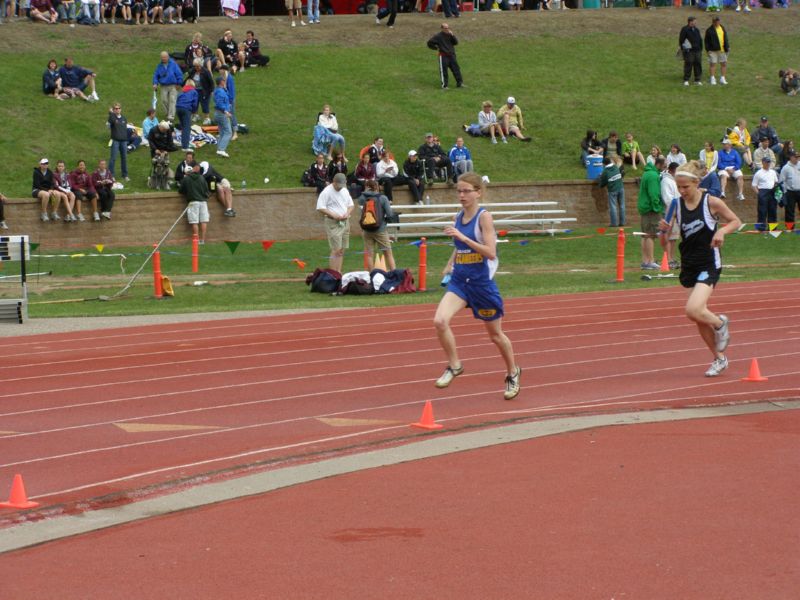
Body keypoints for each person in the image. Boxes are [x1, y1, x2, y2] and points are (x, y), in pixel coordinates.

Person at [433, 172, 521, 401]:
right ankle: (454, 366)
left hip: (481, 284)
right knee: (440, 321)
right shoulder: (457, 217)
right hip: (460, 281)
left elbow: (490, 252)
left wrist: (463, 238)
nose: (461, 195)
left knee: (495, 335)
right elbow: (459, 245)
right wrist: (450, 262)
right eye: (459, 191)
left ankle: (512, 371)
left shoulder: (484, 217)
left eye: (466, 191)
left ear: (478, 192)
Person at [658, 160, 741, 377]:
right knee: (697, 315)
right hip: (689, 263)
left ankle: (720, 322)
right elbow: (664, 244)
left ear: (696, 183)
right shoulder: (675, 205)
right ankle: (719, 359)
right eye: (679, 187)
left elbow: (735, 221)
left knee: (693, 309)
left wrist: (722, 232)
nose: (682, 191)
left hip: (709, 262)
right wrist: (663, 232)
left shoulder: (711, 202)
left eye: (686, 187)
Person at [316, 172, 353, 273]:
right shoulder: (326, 192)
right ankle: (333, 274)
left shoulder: (344, 190)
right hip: (333, 223)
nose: (340, 187)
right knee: (336, 249)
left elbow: (351, 205)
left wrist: (347, 213)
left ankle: (338, 272)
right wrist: (334, 215)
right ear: (334, 182)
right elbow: (320, 207)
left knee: (341, 250)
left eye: (342, 185)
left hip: (345, 222)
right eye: (339, 185)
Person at [358, 180, 396, 272]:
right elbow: (389, 214)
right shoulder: (383, 198)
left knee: (370, 254)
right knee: (388, 253)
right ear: (377, 187)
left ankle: (372, 275)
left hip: (366, 230)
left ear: (366, 186)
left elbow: (361, 203)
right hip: (380, 229)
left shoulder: (362, 198)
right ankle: (393, 273)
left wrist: (365, 191)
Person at [637, 156, 665, 270]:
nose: (665, 167)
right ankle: (650, 261)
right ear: (660, 164)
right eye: (664, 165)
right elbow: (654, 194)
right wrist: (657, 208)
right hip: (651, 209)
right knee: (650, 235)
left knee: (644, 235)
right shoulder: (653, 176)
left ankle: (645, 260)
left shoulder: (647, 173)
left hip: (645, 208)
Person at [179, 162, 210, 244]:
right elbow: (207, 190)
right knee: (204, 221)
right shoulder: (202, 178)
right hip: (203, 202)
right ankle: (202, 240)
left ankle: (196, 240)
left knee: (194, 222)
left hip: (193, 202)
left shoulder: (186, 179)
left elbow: (181, 191)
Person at [427, 22, 463, 90]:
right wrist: (436, 48)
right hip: (443, 56)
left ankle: (460, 83)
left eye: (448, 28)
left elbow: (456, 43)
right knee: (444, 71)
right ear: (442, 28)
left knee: (456, 69)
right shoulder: (438, 36)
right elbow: (429, 43)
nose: (447, 29)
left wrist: (453, 35)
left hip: (452, 55)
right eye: (445, 28)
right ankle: (444, 86)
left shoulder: (450, 35)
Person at [152, 51, 183, 123]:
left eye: (165, 57)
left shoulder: (173, 64)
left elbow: (179, 74)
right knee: (164, 100)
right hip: (163, 86)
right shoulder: (159, 66)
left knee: (172, 100)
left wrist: (179, 83)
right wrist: (155, 83)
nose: (163, 59)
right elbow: (155, 75)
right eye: (162, 57)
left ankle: (171, 116)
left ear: (168, 57)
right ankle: (168, 113)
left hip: (173, 85)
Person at [660, 161, 680, 269]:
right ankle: (667, 258)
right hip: (669, 212)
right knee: (667, 235)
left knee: (674, 237)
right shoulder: (666, 181)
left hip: (677, 212)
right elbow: (667, 198)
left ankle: (671, 258)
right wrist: (673, 210)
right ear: (672, 170)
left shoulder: (674, 180)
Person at [751, 157, 779, 231]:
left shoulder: (773, 172)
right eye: (766, 162)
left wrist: (775, 188)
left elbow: (776, 182)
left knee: (773, 210)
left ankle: (772, 228)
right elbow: (754, 185)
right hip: (763, 192)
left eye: (769, 162)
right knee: (762, 211)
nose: (768, 164)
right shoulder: (758, 173)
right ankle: (761, 228)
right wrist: (759, 194)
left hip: (772, 192)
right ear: (763, 162)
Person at [598, 155, 625, 227]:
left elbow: (602, 184)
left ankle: (614, 223)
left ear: (604, 164)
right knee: (622, 205)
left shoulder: (605, 171)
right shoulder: (616, 167)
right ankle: (622, 222)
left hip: (612, 190)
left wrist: (600, 177)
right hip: (621, 188)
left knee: (613, 206)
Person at [107, 102, 129, 182]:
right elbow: (111, 121)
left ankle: (125, 175)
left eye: (119, 108)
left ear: (121, 109)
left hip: (124, 141)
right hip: (115, 140)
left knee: (124, 158)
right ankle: (111, 175)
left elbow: (125, 127)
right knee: (113, 158)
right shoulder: (112, 117)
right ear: (113, 110)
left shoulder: (124, 118)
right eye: (116, 108)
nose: (117, 110)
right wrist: (111, 113)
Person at [704, 16, 729, 86]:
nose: (718, 23)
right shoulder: (709, 30)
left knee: (724, 64)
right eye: (716, 21)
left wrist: (727, 46)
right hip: (713, 50)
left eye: (718, 21)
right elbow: (706, 41)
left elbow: (725, 38)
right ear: (713, 22)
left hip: (722, 50)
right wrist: (708, 50)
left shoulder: (722, 28)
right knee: (713, 64)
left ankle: (722, 78)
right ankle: (712, 78)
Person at [679, 15, 703, 86]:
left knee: (698, 64)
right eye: (694, 21)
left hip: (697, 50)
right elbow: (681, 40)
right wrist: (684, 49)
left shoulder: (696, 30)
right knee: (688, 64)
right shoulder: (685, 29)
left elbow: (700, 39)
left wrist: (700, 48)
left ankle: (697, 79)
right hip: (689, 51)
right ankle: (686, 79)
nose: (696, 22)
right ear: (690, 22)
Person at [175, 80, 199, 151]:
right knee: (186, 128)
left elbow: (177, 99)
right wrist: (193, 111)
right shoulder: (194, 92)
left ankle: (183, 142)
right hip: (186, 109)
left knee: (183, 126)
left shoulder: (182, 91)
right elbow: (195, 103)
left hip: (178, 108)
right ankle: (185, 147)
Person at [213, 75, 232, 158]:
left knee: (222, 132)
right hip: (222, 114)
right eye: (224, 80)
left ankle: (219, 149)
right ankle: (221, 149)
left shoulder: (220, 90)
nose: (225, 81)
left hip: (218, 113)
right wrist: (226, 111)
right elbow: (219, 103)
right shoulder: (220, 92)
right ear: (221, 82)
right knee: (228, 132)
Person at [779, 150, 800, 226]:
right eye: (796, 157)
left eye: (798, 157)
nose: (797, 159)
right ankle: (789, 228)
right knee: (789, 210)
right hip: (790, 192)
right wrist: (785, 192)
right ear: (791, 157)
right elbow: (781, 181)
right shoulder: (785, 168)